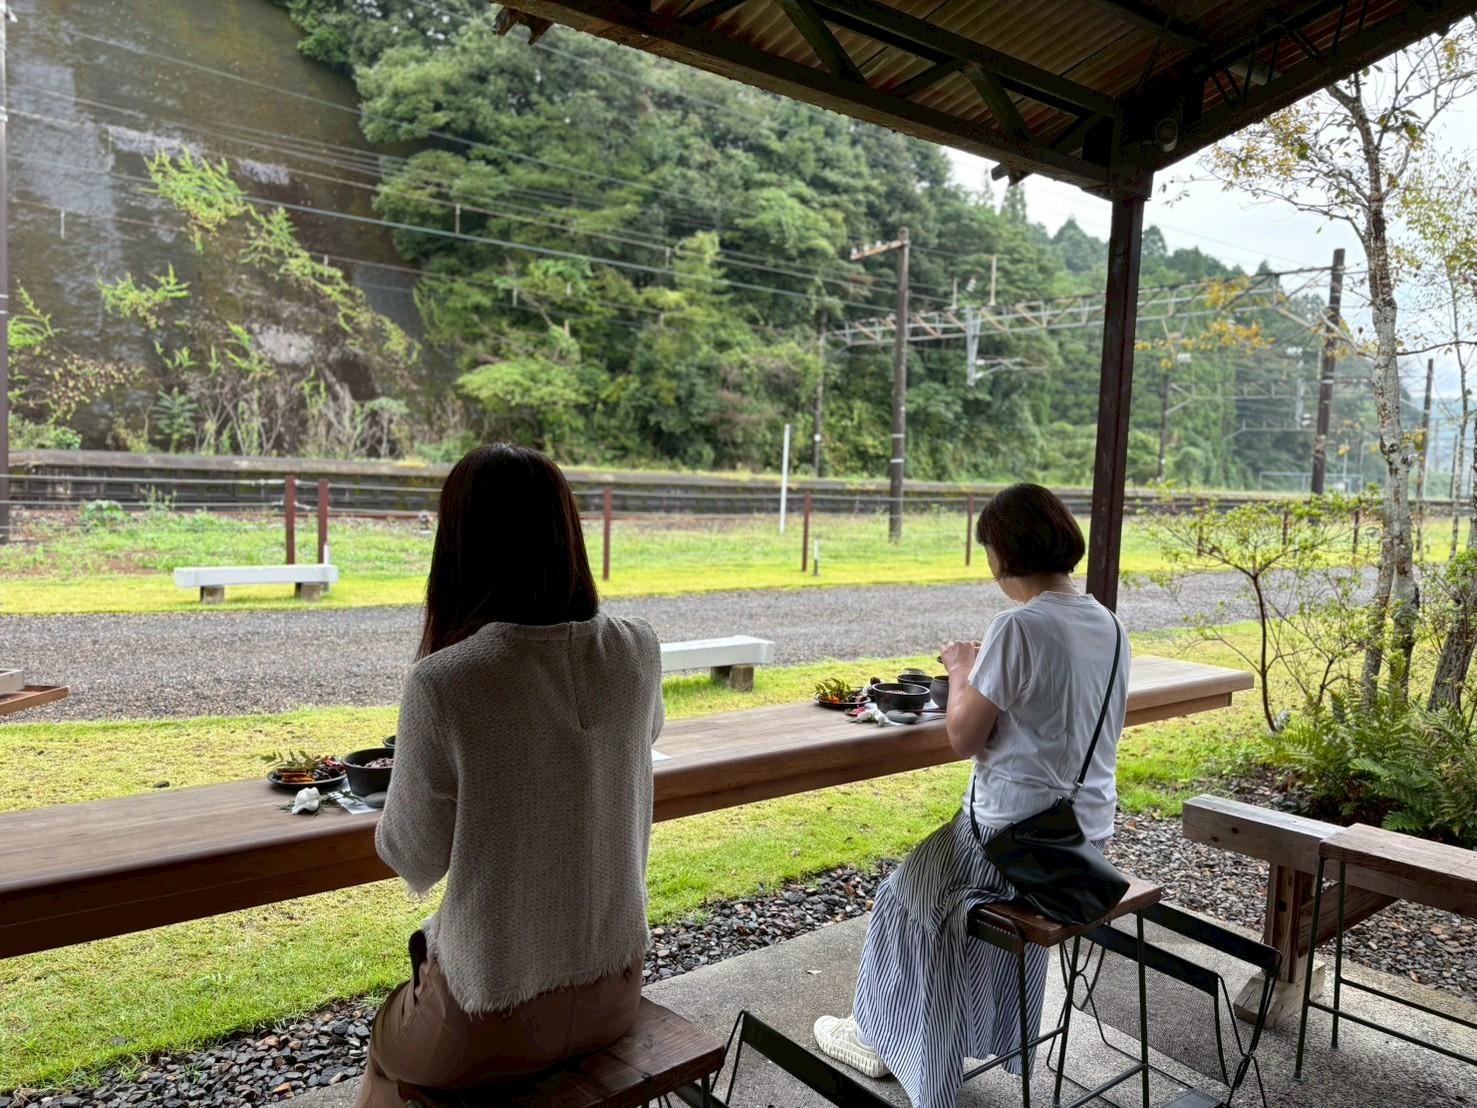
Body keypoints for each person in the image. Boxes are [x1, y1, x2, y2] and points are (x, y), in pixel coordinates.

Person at [355, 444, 665, 1108]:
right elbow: (640, 737)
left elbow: (413, 856)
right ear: (568, 534)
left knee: (384, 1052)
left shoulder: (445, 684)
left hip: (491, 1012)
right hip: (616, 989)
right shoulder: (638, 648)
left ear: (457, 547)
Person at [812, 483, 1129, 1108]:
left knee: (903, 897)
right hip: (1086, 840)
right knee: (940, 896)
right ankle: (975, 1032)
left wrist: (962, 667)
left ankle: (885, 1042)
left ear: (1004, 551)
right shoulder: (1109, 624)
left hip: (1015, 843)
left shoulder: (1018, 624)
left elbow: (962, 736)